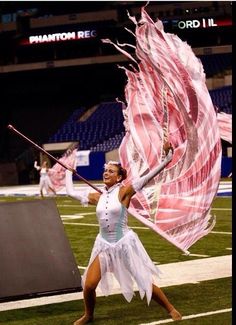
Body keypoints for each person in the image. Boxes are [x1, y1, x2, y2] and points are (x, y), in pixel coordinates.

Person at [66, 142, 182, 324]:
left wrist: (167, 158)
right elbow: (70, 192)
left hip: (124, 243)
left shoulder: (125, 191)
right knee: (88, 285)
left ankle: (171, 309)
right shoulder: (98, 196)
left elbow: (150, 176)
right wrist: (68, 172)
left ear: (119, 177)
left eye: (111, 171)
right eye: (105, 171)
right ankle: (88, 315)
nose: (106, 173)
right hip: (103, 245)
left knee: (144, 282)